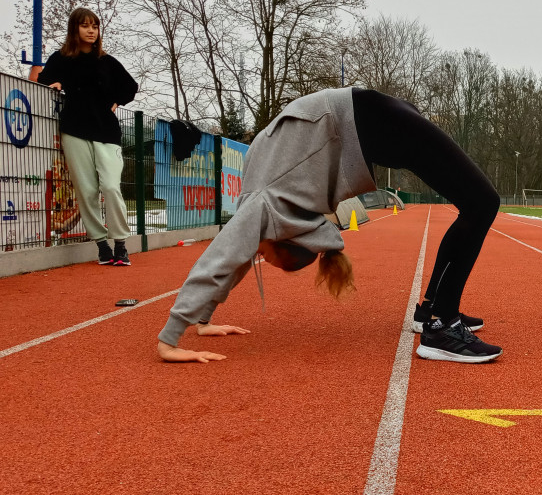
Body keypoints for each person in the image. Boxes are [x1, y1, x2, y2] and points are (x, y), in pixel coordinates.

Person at [156, 87, 502, 364]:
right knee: (477, 203)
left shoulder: (262, 204)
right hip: (367, 119)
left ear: (282, 238)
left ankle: (438, 322)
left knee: (482, 202)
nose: (256, 257)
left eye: (265, 256)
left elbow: (221, 259)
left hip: (368, 121)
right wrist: (204, 321)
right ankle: (435, 315)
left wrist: (169, 340)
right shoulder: (266, 203)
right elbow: (235, 258)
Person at [37, 7, 139, 266]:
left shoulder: (107, 61)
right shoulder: (60, 59)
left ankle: (120, 243)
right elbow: (44, 80)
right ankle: (102, 245)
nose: (91, 30)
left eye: (95, 26)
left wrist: (116, 101)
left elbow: (130, 87)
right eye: (85, 26)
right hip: (74, 130)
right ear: (75, 29)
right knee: (87, 190)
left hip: (106, 131)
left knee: (111, 187)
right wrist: (55, 85)